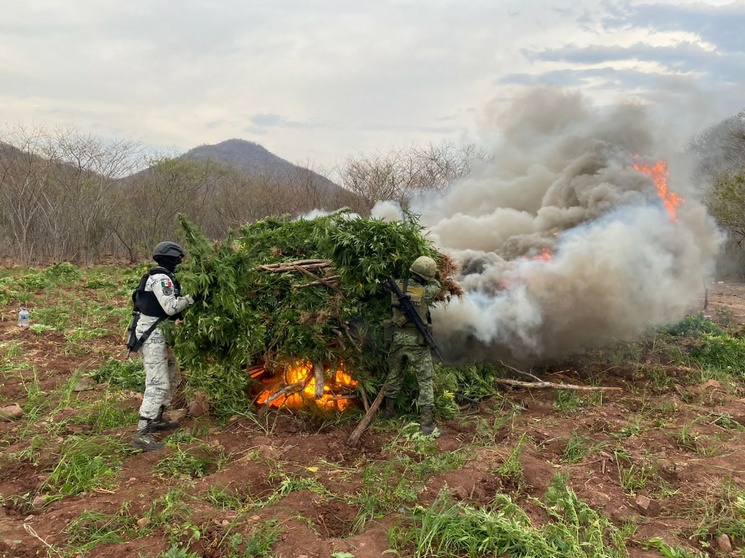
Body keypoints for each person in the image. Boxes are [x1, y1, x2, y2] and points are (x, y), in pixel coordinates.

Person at [130, 241, 195, 451]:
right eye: (178, 258)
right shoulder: (161, 278)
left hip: (161, 335)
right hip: (152, 337)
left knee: (173, 377)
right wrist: (194, 296)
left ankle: (157, 418)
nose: (180, 261)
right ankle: (142, 432)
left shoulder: (166, 277)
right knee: (157, 383)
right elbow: (171, 307)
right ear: (171, 258)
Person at [383, 255, 442, 435]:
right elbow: (437, 285)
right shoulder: (427, 291)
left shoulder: (396, 286)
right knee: (424, 381)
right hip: (417, 342)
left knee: (394, 375)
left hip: (397, 339)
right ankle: (426, 425)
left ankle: (388, 413)